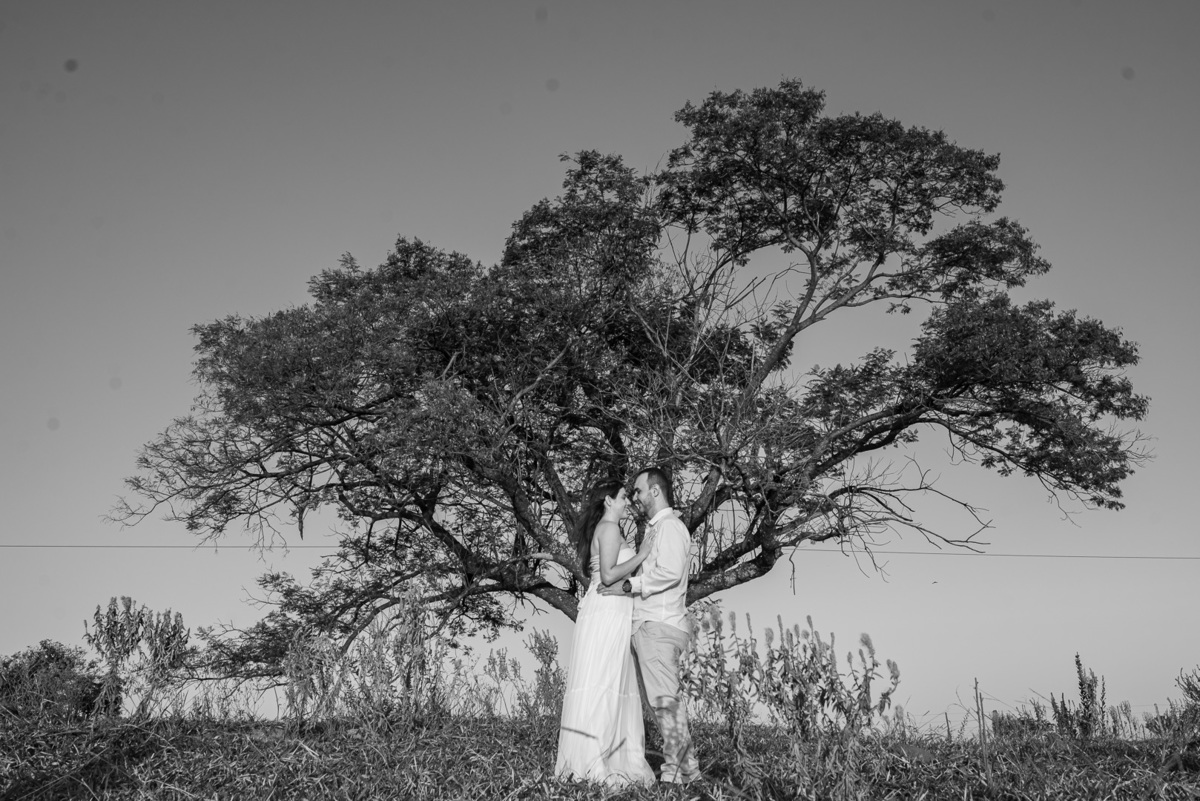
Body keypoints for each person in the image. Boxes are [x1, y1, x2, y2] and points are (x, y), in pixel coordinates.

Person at [598, 466, 701, 784]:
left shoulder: (669, 526)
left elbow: (669, 572)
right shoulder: (659, 528)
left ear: (655, 491)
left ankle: (681, 775)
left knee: (665, 704)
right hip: (652, 625)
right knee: (662, 705)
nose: (636, 497)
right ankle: (683, 772)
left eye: (639, 490)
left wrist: (630, 586)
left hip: (659, 625)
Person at [555, 481, 655, 786]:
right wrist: (643, 553)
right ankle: (595, 764)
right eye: (623, 497)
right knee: (604, 682)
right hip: (608, 611)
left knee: (606, 681)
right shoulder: (609, 528)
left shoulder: (608, 528)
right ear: (609, 501)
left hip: (609, 609)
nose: (628, 502)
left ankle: (597, 760)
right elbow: (610, 575)